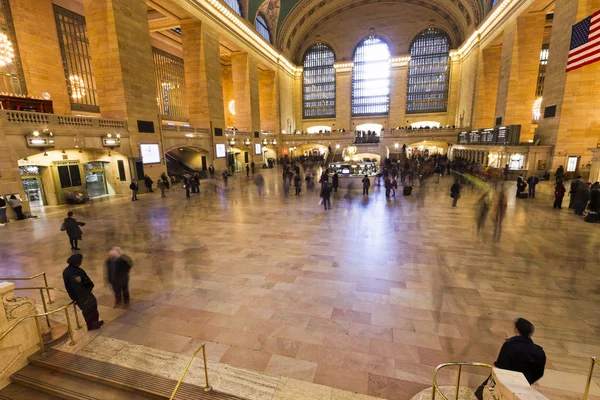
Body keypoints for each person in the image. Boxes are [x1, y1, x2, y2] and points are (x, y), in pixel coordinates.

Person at [474, 318, 545, 400]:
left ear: (516, 329)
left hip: (507, 384)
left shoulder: (509, 345)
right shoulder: (539, 351)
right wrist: (527, 380)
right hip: (523, 386)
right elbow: (539, 373)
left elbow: (502, 366)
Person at [63, 254, 103, 331]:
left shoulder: (66, 271)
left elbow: (67, 286)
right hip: (84, 294)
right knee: (92, 308)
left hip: (77, 296)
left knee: (86, 310)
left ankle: (90, 325)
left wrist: (73, 297)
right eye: (80, 261)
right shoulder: (77, 271)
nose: (81, 262)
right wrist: (89, 288)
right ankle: (95, 324)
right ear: (76, 262)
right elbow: (85, 282)